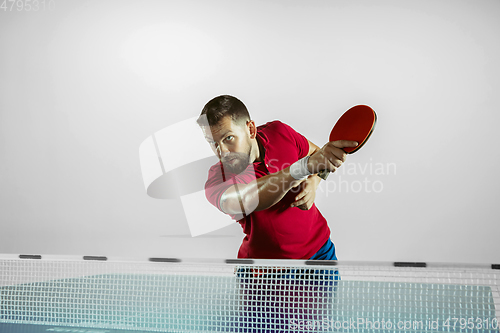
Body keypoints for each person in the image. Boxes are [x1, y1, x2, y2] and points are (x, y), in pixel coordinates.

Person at [197, 95, 357, 260]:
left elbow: (318, 155)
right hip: (268, 271)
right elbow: (247, 198)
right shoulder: (217, 180)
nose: (222, 151)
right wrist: (304, 167)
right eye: (212, 142)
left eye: (228, 138)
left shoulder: (279, 132)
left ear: (250, 130)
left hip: (320, 253)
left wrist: (313, 182)